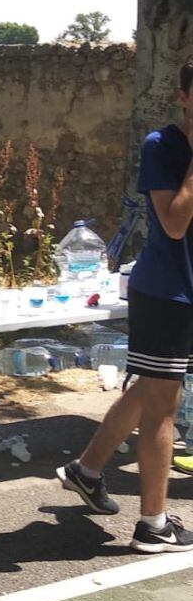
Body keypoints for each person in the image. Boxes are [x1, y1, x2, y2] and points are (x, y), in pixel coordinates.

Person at [57, 57, 193, 552]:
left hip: (188, 293)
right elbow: (175, 223)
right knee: (162, 405)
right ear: (183, 96)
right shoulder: (164, 146)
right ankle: (153, 526)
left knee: (148, 392)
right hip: (166, 294)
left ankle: (86, 470)